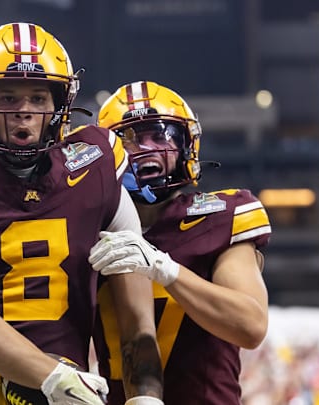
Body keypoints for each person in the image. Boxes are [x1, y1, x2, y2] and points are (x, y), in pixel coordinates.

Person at [0, 22, 163, 404]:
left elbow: (137, 323)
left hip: (69, 386)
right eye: (8, 98)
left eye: (38, 98)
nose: (24, 112)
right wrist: (55, 380)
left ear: (58, 105)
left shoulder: (96, 167)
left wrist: (145, 396)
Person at [89, 81, 271, 404]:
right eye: (131, 139)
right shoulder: (90, 225)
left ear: (187, 146)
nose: (146, 148)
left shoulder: (221, 217)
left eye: (160, 136)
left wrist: (164, 268)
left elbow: (250, 324)